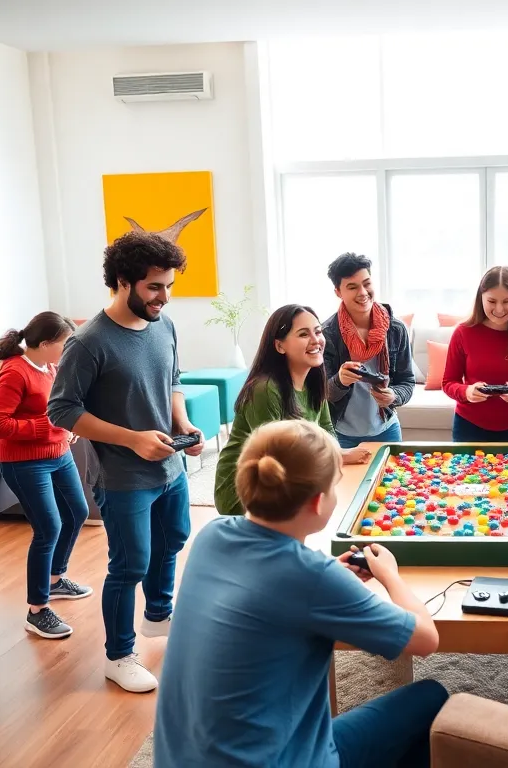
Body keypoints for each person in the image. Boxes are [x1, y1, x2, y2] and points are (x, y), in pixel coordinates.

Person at [156, 419, 448, 767]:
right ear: (317, 502)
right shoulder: (313, 577)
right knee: (433, 698)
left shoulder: (212, 536)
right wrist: (391, 576)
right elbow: (426, 640)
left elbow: (271, 591)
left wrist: (327, 580)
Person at [48, 231, 206, 694]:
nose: (164, 296)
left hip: (170, 467)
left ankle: (158, 615)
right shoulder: (89, 342)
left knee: (174, 538)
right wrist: (133, 440)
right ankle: (119, 655)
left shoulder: (165, 325)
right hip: (122, 476)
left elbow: (173, 379)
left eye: (169, 285)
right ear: (123, 281)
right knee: (129, 564)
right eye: (155, 287)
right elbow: (61, 409)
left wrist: (185, 424)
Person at [0, 311, 93, 640]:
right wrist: (48, 426)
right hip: (24, 463)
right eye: (64, 344)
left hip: (58, 454)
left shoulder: (51, 366)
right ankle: (37, 610)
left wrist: (68, 428)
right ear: (45, 344)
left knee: (77, 513)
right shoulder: (15, 372)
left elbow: (59, 406)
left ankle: (55, 579)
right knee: (48, 529)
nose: (69, 349)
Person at [214, 304, 371, 517]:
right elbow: (274, 458)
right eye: (303, 334)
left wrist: (341, 454)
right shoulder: (265, 389)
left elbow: (326, 430)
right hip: (248, 488)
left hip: (288, 475)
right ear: (280, 346)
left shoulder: (314, 380)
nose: (316, 340)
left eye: (318, 331)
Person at [441, 266, 508, 442]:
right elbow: (448, 383)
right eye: (492, 301)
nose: (499, 309)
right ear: (481, 298)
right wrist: (467, 391)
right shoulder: (463, 333)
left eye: (506, 301)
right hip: (469, 427)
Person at [321, 253, 417, 449]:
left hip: (387, 429)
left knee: (392, 480)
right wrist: (340, 380)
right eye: (352, 287)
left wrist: (393, 396)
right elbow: (322, 393)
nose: (363, 292)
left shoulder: (395, 329)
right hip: (341, 433)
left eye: (367, 283)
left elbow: (407, 381)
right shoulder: (327, 334)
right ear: (338, 292)